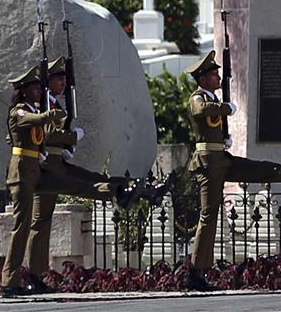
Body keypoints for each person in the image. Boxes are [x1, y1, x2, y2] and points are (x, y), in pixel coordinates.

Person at [184, 51, 281, 291]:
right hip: (208, 164)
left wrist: (225, 137)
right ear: (202, 79)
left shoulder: (210, 96)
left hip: (222, 159)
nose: (218, 77)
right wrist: (226, 108)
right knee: (208, 216)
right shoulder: (198, 97)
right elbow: (203, 111)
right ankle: (195, 273)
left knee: (265, 170)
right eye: (214, 74)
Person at [0, 65, 153, 298]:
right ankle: (9, 281)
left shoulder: (37, 107)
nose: (39, 91)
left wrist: (63, 140)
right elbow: (34, 121)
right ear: (23, 91)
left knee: (76, 185)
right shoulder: (19, 111)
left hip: (38, 172)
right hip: (21, 173)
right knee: (22, 226)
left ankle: (117, 191)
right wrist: (50, 117)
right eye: (34, 88)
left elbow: (43, 135)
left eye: (39, 88)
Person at [25, 56, 174, 293]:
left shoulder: (54, 105)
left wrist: (67, 145)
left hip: (58, 163)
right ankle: (33, 275)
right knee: (40, 221)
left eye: (65, 78)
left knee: (96, 179)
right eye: (59, 78)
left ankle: (142, 190)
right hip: (46, 168)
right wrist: (72, 137)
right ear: (48, 81)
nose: (63, 82)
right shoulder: (43, 106)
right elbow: (47, 135)